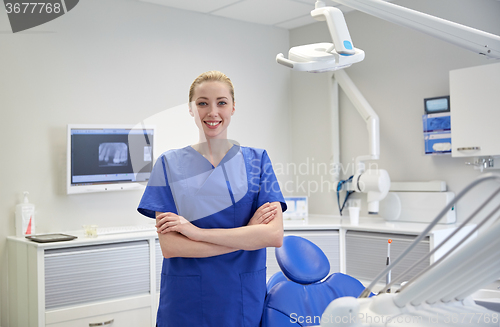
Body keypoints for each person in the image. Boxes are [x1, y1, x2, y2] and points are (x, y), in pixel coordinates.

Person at [137, 70, 287, 327]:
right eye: (202, 103)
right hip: (187, 300)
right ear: (191, 109)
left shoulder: (258, 161)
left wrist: (196, 233)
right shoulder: (168, 164)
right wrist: (248, 233)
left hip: (239, 298)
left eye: (221, 102)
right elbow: (172, 247)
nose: (212, 112)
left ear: (233, 108)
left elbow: (273, 235)